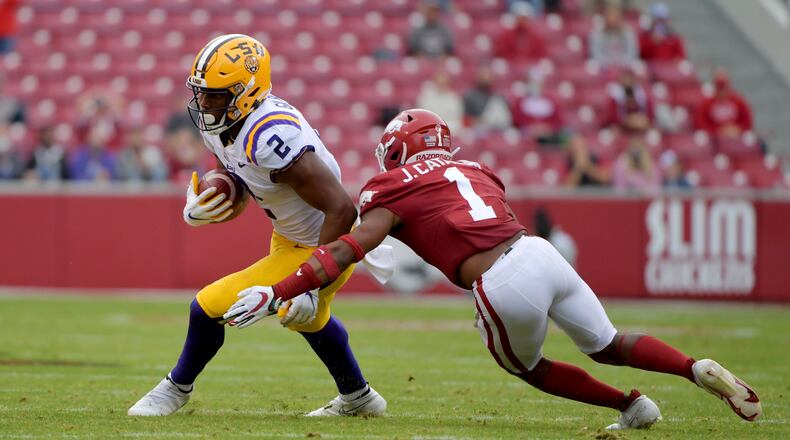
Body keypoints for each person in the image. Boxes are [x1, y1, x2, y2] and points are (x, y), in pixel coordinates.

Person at [222, 109, 762, 430]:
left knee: (531, 369)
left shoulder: (390, 186)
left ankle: (632, 405)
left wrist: (279, 290)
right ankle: (692, 367)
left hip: (502, 280)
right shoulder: (478, 168)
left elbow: (345, 250)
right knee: (608, 342)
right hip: (540, 252)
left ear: (399, 151)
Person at [128, 34, 389, 417]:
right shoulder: (226, 122)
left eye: (216, 96)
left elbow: (341, 209)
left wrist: (312, 281)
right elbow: (237, 175)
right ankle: (359, 397)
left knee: (208, 306)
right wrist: (213, 200)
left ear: (246, 92)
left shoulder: (270, 135)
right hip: (289, 237)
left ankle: (174, 388)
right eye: (202, 94)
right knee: (306, 319)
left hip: (327, 242)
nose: (204, 104)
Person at [695, 69, 753, 140]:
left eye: (723, 86)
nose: (722, 90)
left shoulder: (738, 101)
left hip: (737, 137)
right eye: (719, 86)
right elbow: (701, 124)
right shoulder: (706, 104)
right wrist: (719, 131)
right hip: (714, 141)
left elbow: (748, 121)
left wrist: (738, 129)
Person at [463, 66, 512, 131]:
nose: (486, 78)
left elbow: (506, 118)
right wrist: (481, 120)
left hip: (499, 127)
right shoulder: (470, 96)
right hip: (478, 128)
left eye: (488, 75)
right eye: (484, 75)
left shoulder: (498, 96)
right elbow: (465, 119)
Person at [588, 4, 638, 68]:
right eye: (610, 16)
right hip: (603, 64)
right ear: (605, 18)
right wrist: (609, 64)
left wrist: (621, 63)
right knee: (592, 65)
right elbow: (596, 54)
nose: (612, 19)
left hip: (625, 63)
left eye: (615, 16)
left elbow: (632, 52)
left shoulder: (628, 32)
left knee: (637, 65)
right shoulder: (597, 33)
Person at [605, 68, 653, 134]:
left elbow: (649, 117)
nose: (627, 82)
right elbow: (613, 118)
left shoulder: (642, 96)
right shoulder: (615, 97)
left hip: (641, 124)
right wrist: (629, 120)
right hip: (621, 127)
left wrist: (639, 120)